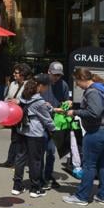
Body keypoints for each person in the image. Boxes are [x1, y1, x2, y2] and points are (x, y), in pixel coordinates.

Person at [62, 68, 104, 206]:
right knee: (103, 164)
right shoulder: (101, 88)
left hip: (97, 132)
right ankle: (103, 196)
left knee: (89, 165)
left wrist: (75, 112)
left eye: (76, 82)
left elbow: (94, 113)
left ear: (81, 79)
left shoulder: (92, 92)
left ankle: (82, 197)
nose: (77, 85)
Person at [13, 74, 57, 198]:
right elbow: (47, 120)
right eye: (46, 86)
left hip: (22, 130)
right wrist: (55, 130)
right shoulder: (39, 101)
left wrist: (47, 107)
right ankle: (35, 188)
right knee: (35, 161)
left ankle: (17, 186)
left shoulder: (24, 96)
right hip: (35, 133)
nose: (47, 89)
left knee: (20, 158)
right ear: (41, 86)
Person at [0, 63, 33, 167]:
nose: (14, 74)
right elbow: (8, 96)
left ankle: (20, 161)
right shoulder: (13, 84)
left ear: (23, 74)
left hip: (23, 114)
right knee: (14, 138)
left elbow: (29, 99)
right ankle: (10, 160)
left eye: (16, 73)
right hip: (12, 114)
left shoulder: (29, 85)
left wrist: (18, 101)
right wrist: (7, 102)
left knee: (23, 139)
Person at [41, 61, 70, 189]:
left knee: (51, 151)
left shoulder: (63, 85)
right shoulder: (41, 83)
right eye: (55, 75)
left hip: (55, 122)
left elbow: (66, 99)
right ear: (49, 72)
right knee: (40, 150)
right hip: (41, 121)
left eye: (59, 75)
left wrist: (68, 103)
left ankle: (48, 175)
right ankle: (39, 176)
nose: (57, 77)